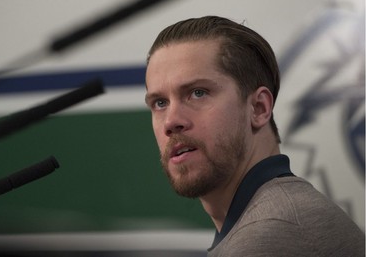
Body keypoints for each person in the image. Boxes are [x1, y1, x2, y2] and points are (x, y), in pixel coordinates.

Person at [144, 16, 365, 256]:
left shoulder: (272, 235)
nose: (171, 121)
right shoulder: (270, 220)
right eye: (160, 103)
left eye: (198, 93)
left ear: (258, 108)